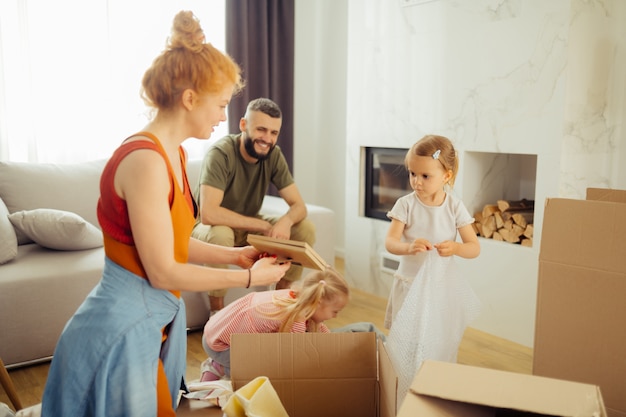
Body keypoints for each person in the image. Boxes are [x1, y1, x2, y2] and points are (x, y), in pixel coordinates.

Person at [40, 11, 290, 417]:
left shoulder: (173, 153)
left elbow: (171, 242)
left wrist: (234, 256)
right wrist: (248, 278)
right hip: (119, 330)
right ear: (190, 98)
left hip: (153, 321)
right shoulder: (145, 161)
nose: (222, 117)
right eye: (221, 104)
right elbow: (162, 271)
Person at [192, 97, 316, 313]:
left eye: (274, 133)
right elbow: (209, 214)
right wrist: (263, 226)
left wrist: (286, 222)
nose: (267, 139)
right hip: (206, 227)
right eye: (261, 130)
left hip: (247, 227)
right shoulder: (220, 153)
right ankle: (217, 314)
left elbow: (299, 207)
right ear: (243, 125)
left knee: (304, 228)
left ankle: (280, 305)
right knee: (222, 234)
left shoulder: (273, 155)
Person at [383, 134, 481, 400]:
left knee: (435, 339)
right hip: (409, 284)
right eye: (412, 173)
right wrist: (408, 247)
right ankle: (401, 386)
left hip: (439, 289)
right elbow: (391, 242)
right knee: (406, 339)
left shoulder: (454, 207)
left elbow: (474, 247)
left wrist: (456, 247)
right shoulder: (406, 204)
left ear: (446, 176)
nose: (416, 181)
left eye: (425, 176)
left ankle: (432, 387)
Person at [200, 266, 349, 380]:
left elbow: (319, 329)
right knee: (265, 375)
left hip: (217, 331)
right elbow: (294, 355)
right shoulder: (295, 318)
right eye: (335, 311)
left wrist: (332, 345)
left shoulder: (298, 299)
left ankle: (226, 364)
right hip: (220, 345)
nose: (335, 317)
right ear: (318, 302)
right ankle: (219, 367)